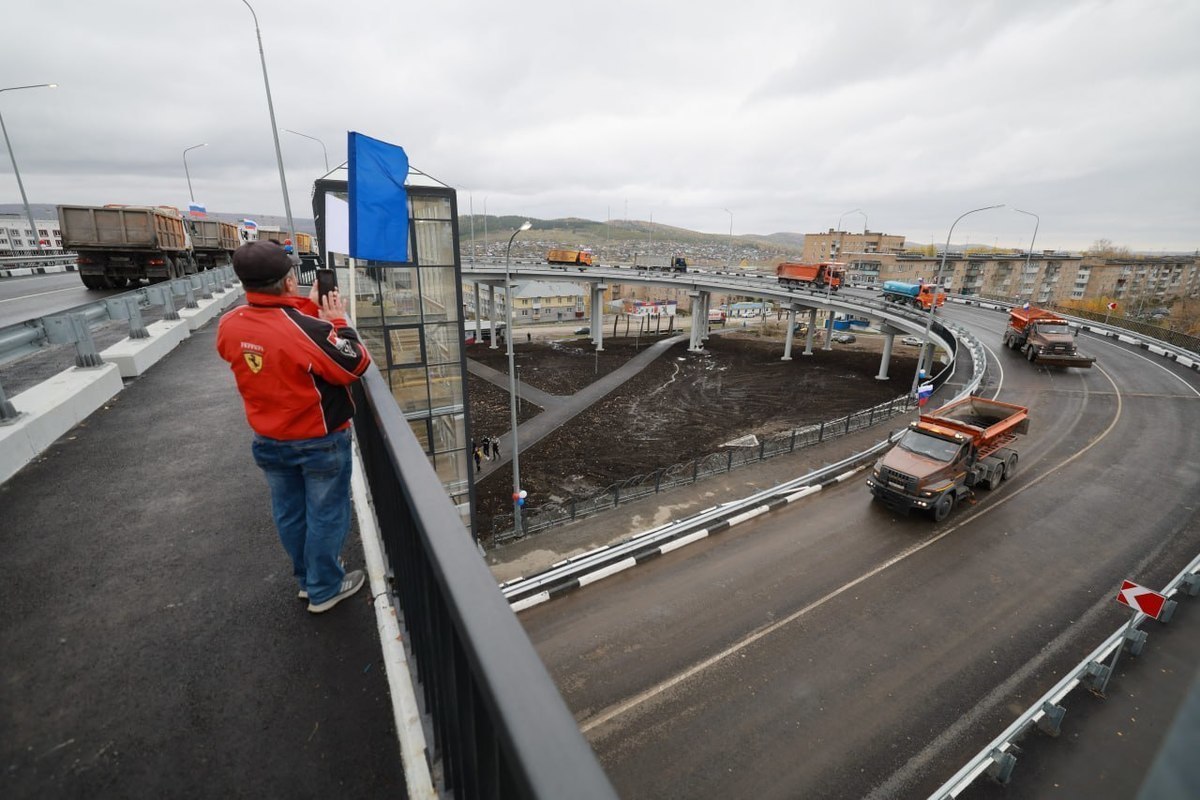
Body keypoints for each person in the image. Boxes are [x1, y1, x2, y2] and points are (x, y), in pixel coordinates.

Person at [216, 240, 372, 614]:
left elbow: (278, 331)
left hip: (268, 439)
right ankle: (323, 588)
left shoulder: (230, 324)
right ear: (290, 282)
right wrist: (336, 321)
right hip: (318, 442)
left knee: (289, 513)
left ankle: (307, 580)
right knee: (326, 513)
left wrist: (305, 307)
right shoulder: (310, 330)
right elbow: (354, 364)